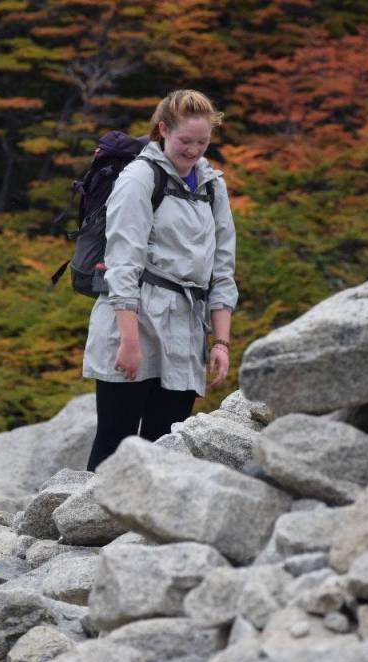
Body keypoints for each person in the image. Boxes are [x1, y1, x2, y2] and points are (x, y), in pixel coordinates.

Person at [82, 89, 238, 472]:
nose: (193, 150)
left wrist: (220, 342)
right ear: (163, 130)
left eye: (202, 142)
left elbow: (222, 267)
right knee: (116, 441)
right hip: (135, 318)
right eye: (185, 141)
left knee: (167, 441)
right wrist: (130, 341)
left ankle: (144, 530)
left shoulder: (212, 185)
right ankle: (85, 527)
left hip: (186, 326)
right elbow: (122, 263)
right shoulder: (139, 178)